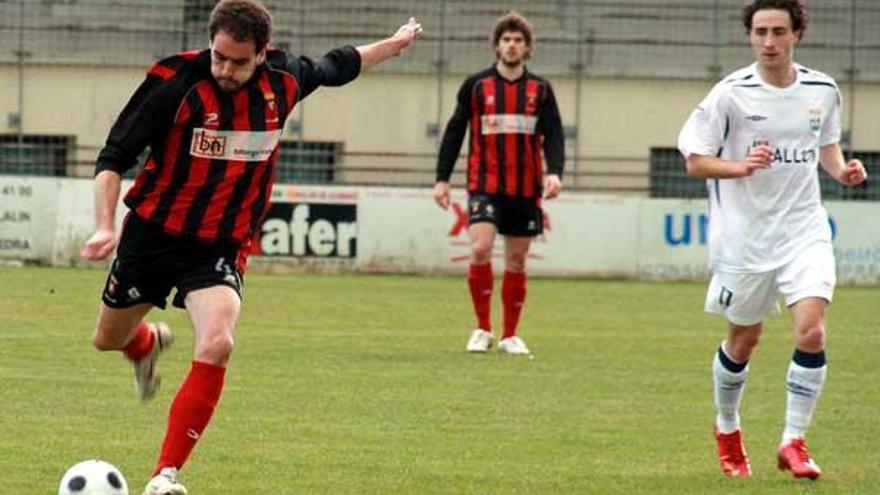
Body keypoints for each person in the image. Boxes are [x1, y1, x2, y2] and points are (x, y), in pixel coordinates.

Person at [79, 1, 422, 493]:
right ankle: (144, 344)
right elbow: (113, 157)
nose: (226, 69)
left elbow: (338, 65)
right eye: (220, 57)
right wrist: (103, 225)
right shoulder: (175, 82)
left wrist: (392, 46)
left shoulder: (284, 80)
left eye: (239, 61)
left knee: (218, 342)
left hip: (220, 243)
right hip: (152, 234)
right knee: (107, 339)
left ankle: (165, 474)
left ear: (263, 53)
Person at [677, 0, 867, 480]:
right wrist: (740, 166)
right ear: (750, 36)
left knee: (812, 330)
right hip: (745, 239)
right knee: (744, 341)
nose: (768, 42)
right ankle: (727, 428)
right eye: (760, 32)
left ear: (797, 34)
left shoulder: (822, 89)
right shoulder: (730, 94)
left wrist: (841, 170)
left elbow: (824, 145)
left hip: (804, 229)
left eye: (778, 31)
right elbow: (695, 160)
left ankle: (793, 440)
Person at [433, 12, 564, 356]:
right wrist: (441, 179)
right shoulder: (476, 86)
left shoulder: (541, 89)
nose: (511, 45)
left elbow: (554, 135)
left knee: (517, 262)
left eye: (518, 40)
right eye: (506, 40)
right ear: (496, 46)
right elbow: (454, 132)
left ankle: (509, 335)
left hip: (525, 188)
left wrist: (555, 172)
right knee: (479, 248)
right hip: (484, 184)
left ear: (527, 48)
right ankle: (482, 328)